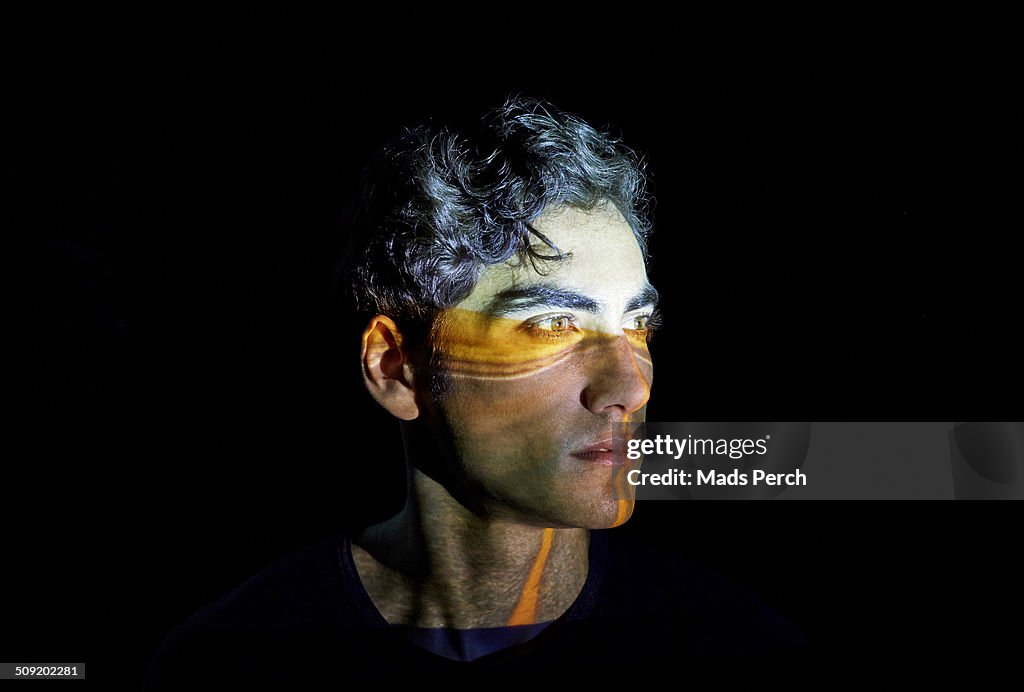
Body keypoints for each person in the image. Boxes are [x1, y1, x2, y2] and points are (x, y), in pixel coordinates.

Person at [143, 96, 805, 690]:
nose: (629, 385)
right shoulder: (231, 664)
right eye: (553, 324)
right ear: (395, 368)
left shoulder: (741, 656)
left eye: (636, 324)